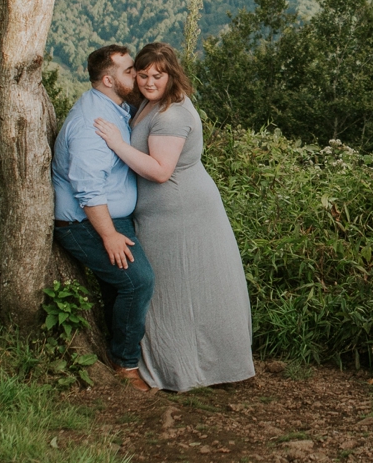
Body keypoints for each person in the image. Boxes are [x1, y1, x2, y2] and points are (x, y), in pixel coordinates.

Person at [93, 41, 255, 393]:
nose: (150, 82)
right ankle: (181, 366)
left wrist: (117, 144)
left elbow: (160, 171)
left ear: (172, 75)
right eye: (143, 74)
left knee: (197, 291)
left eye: (158, 75)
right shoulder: (153, 104)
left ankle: (210, 367)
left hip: (185, 216)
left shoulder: (172, 114)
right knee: (174, 294)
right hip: (163, 218)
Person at [53, 43, 155, 393]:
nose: (137, 75)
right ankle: (125, 364)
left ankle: (118, 351)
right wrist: (109, 234)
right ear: (109, 80)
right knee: (138, 281)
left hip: (108, 219)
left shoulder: (113, 107)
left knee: (120, 285)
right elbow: (87, 188)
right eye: (130, 71)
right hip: (86, 225)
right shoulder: (90, 125)